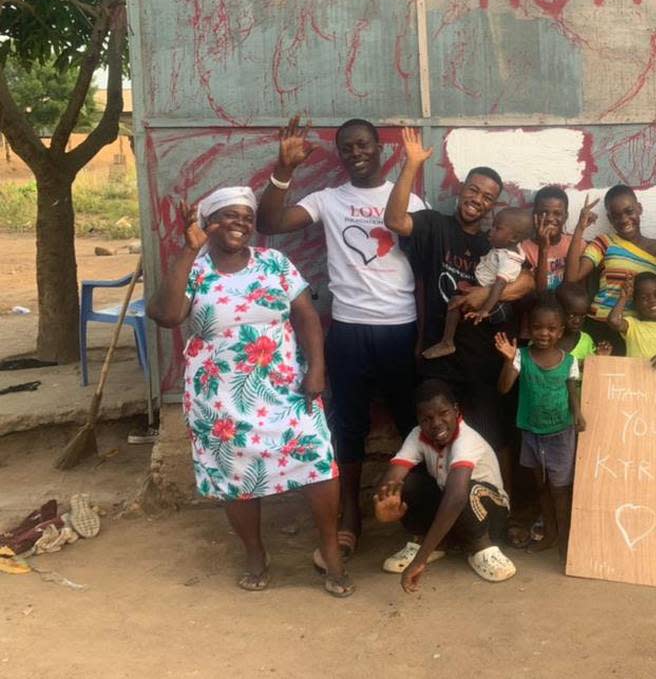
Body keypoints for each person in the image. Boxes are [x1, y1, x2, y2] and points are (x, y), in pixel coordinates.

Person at [147, 187, 353, 597]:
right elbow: (167, 315)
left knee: (317, 458)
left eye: (245, 216)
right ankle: (255, 553)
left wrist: (317, 369)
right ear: (208, 224)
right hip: (220, 396)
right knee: (235, 476)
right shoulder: (198, 269)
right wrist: (189, 251)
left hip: (285, 386)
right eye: (227, 215)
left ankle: (330, 548)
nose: (238, 223)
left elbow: (307, 317)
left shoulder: (274, 263)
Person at [256, 116, 425, 568]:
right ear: (341, 154)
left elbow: (429, 262)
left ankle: (415, 518)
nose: (357, 152)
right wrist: (284, 169)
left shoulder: (409, 199)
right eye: (348, 147)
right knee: (346, 428)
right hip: (348, 331)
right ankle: (350, 518)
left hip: (400, 328)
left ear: (379, 149)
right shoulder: (328, 200)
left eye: (364, 144)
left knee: (412, 422)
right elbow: (269, 222)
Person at [384, 128, 533, 456]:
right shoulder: (434, 226)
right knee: (437, 446)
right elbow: (394, 220)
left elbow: (527, 282)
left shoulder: (495, 242)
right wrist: (411, 164)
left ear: (493, 206)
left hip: (483, 364)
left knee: (490, 444)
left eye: (487, 197)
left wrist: (485, 296)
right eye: (473, 190)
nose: (477, 200)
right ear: (462, 189)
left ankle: (495, 504)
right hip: (439, 362)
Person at [374, 379, 515, 591]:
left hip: (491, 514)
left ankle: (481, 547)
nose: (436, 423)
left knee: (463, 489)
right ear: (419, 420)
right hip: (456, 513)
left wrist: (420, 560)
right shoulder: (417, 435)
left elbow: (456, 497)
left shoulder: (466, 439)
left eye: (443, 413)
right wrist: (384, 505)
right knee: (408, 484)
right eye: (427, 418)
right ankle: (435, 543)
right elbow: (393, 478)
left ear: (456, 410)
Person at [494, 296, 585, 560]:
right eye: (537, 327)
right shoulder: (521, 356)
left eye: (551, 328)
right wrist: (509, 360)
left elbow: (572, 391)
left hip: (561, 434)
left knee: (560, 489)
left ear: (560, 331)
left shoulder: (569, 361)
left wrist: (578, 413)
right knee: (542, 486)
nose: (544, 333)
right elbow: (504, 388)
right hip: (532, 433)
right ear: (529, 329)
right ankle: (550, 535)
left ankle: (567, 539)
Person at [565, 185, 656, 354]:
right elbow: (571, 278)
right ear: (609, 218)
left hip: (635, 330)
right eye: (616, 216)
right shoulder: (605, 242)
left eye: (629, 211)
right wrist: (580, 228)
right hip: (598, 325)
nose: (624, 219)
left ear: (640, 208)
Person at [422, 207, 531, 359]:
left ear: (513, 238)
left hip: (496, 304)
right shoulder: (506, 247)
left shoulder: (509, 260)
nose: (491, 231)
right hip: (488, 296)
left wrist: (485, 309)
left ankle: (447, 342)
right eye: (492, 225)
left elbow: (499, 286)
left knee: (456, 303)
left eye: (497, 228)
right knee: (458, 301)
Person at [607, 272, 656, 369]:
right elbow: (614, 320)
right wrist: (624, 297)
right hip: (635, 380)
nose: (652, 300)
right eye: (644, 298)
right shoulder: (633, 325)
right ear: (636, 302)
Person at [523, 186, 573, 293]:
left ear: (565, 216)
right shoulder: (524, 250)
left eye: (557, 213)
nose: (550, 218)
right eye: (543, 213)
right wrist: (543, 249)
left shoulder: (574, 244)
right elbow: (540, 292)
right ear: (534, 215)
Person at [555, 282, 612, 369]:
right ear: (557, 311)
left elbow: (592, 368)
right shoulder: (546, 338)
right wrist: (580, 363)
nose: (577, 321)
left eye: (582, 316)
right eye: (572, 315)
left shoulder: (586, 341)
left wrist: (599, 357)